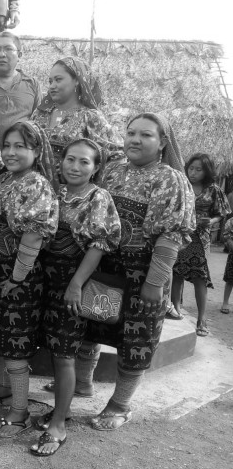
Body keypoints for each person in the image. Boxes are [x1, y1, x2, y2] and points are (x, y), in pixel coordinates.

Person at [78, 113, 194, 432]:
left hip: (143, 275)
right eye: (130, 133)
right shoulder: (113, 170)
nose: (135, 140)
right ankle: (83, 385)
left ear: (162, 143)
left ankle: (120, 404)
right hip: (105, 266)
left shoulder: (170, 179)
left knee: (136, 340)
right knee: (93, 324)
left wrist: (155, 282)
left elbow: (173, 234)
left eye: (146, 135)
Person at [32, 138, 121, 456]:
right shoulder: (53, 192)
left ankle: (58, 425)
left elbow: (99, 246)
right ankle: (62, 410)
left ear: (96, 168)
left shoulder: (99, 197)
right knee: (56, 348)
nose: (75, 166)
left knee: (65, 353)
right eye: (70, 159)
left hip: (74, 284)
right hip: (45, 280)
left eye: (84, 161)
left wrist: (75, 284)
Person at [0, 121, 59, 438]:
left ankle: (19, 412)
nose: (11, 152)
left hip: (19, 277)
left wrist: (17, 277)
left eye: (21, 146)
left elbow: (33, 234)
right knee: (1, 336)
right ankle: (3, 389)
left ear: (37, 150)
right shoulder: (5, 180)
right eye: (8, 145)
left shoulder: (35, 185)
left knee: (15, 343)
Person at [31, 56, 125, 171]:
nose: (52, 86)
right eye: (50, 81)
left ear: (77, 80)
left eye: (58, 79)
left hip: (72, 187)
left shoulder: (90, 117)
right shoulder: (40, 114)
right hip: (37, 185)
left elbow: (117, 155)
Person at [171, 153, 229, 334]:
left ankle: (201, 319)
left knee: (199, 277)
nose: (193, 172)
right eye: (191, 168)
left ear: (207, 171)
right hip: (180, 235)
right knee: (176, 273)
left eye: (198, 169)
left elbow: (222, 212)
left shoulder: (213, 189)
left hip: (200, 238)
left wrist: (211, 222)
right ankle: (176, 310)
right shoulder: (181, 185)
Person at [0, 31, 41, 138]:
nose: (1, 54)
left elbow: (38, 122)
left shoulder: (32, 84)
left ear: (19, 55)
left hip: (21, 151)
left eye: (8, 49)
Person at [220, 216, 233, 314]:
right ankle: (225, 302)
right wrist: (231, 244)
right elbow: (226, 235)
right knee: (230, 278)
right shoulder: (231, 221)